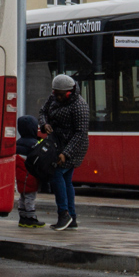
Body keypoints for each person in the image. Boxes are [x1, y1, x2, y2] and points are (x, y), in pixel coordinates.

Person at [39, 74, 89, 232]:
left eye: (62, 95)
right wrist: (44, 124)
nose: (58, 98)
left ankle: (64, 214)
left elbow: (80, 134)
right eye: (56, 94)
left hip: (73, 147)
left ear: (70, 92)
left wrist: (66, 154)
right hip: (56, 144)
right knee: (66, 180)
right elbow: (42, 112)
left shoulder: (80, 105)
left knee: (56, 174)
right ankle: (71, 217)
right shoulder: (53, 97)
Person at [14, 114, 45, 228]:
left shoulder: (17, 143)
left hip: (21, 177)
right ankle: (31, 218)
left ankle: (22, 217)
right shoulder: (34, 144)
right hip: (30, 176)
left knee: (22, 196)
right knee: (30, 197)